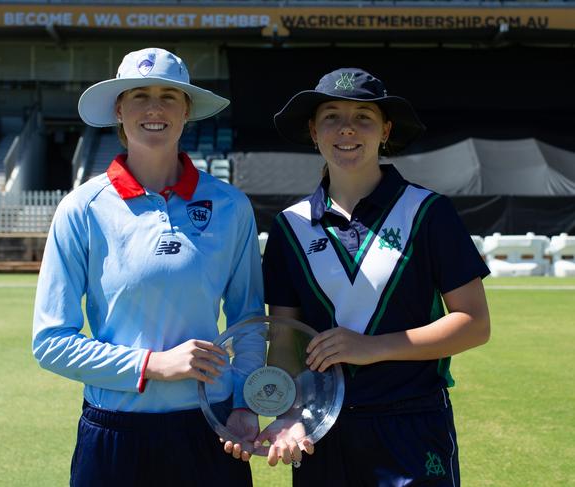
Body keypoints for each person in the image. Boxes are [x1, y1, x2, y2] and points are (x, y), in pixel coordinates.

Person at [32, 47, 264, 487]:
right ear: (119, 110)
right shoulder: (82, 208)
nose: (154, 108)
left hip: (210, 429)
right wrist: (152, 364)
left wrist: (245, 403)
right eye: (139, 95)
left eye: (169, 96)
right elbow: (50, 342)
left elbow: (249, 319)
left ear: (187, 110)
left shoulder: (231, 205)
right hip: (115, 434)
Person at [260, 67, 491, 486]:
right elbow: (283, 340)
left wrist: (373, 348)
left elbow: (474, 324)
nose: (347, 129)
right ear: (313, 131)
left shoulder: (428, 212)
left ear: (385, 130)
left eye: (363, 117)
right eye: (331, 116)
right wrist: (290, 414)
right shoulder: (288, 227)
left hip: (412, 423)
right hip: (322, 431)